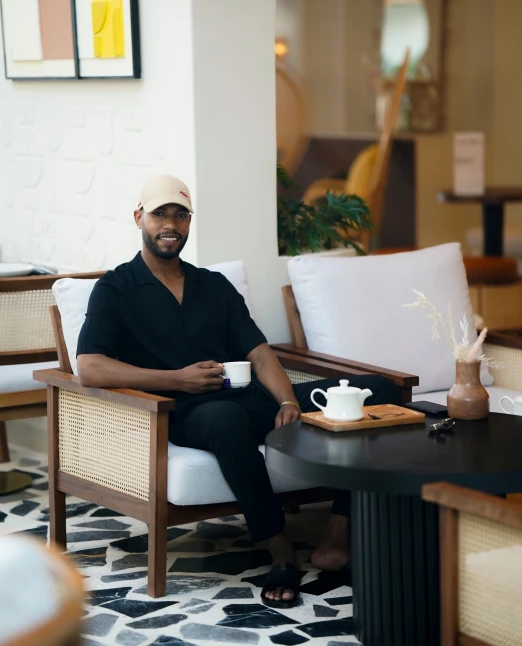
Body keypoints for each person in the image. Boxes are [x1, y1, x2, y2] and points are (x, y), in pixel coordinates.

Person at [77, 174, 402, 609]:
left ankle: (337, 538)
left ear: (190, 221)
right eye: (159, 214)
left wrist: (287, 400)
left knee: (378, 389)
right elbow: (89, 367)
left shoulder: (212, 285)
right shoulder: (115, 289)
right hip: (185, 409)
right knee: (225, 420)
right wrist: (178, 379)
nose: (170, 224)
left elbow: (260, 352)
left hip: (248, 398)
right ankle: (280, 548)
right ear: (139, 217)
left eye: (180, 214)